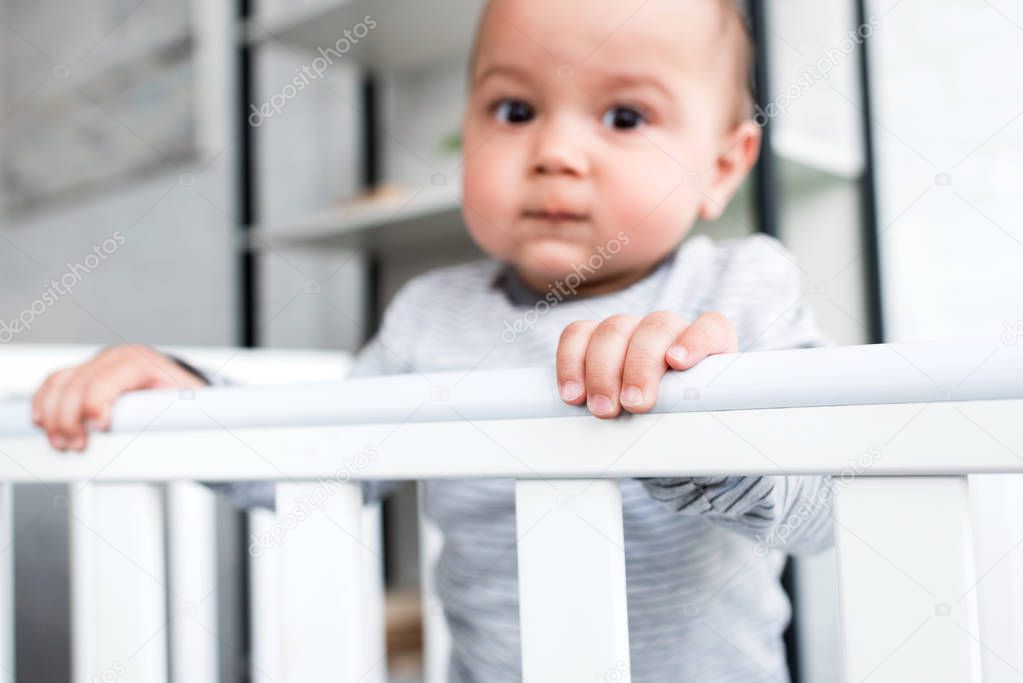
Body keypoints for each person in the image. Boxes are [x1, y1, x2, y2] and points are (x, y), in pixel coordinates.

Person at [32, 1, 832, 679]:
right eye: (513, 111)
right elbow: (318, 466)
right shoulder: (429, 314)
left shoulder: (738, 290)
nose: (553, 154)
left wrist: (708, 432)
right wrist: (185, 396)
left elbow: (824, 507)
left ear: (722, 167)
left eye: (625, 117)